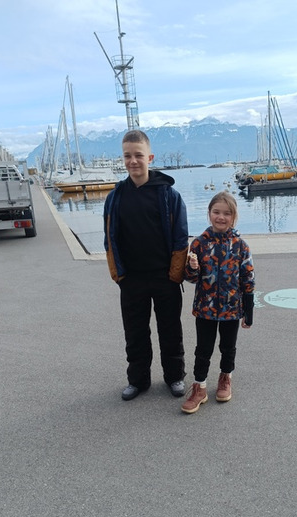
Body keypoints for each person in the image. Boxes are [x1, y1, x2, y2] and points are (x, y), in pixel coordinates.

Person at [103, 130, 189, 401]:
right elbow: (109, 238)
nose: (133, 161)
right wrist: (118, 274)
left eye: (138, 155)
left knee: (170, 330)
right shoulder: (115, 197)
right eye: (127, 156)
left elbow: (180, 237)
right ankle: (138, 380)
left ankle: (174, 376)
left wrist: (175, 274)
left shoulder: (169, 195)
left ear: (150, 158)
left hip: (165, 277)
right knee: (135, 333)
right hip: (131, 279)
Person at [182, 191, 255, 414]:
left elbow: (248, 278)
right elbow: (191, 278)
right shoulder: (199, 244)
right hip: (205, 309)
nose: (221, 217)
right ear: (209, 213)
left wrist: (248, 311)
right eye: (216, 212)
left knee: (228, 347)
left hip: (231, 310)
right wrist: (192, 268)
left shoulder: (240, 246)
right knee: (203, 349)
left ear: (234, 217)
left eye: (227, 213)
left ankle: (225, 378)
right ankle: (200, 387)